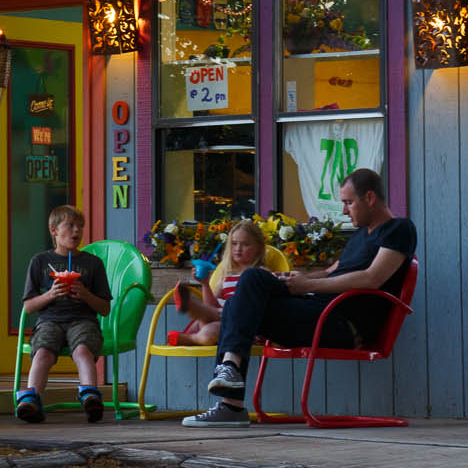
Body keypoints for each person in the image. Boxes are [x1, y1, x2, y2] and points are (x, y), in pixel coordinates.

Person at [183, 169, 416, 426]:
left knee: (242, 300)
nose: (344, 211)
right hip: (317, 310)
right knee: (252, 281)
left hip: (342, 323)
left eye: (349, 203)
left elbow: (373, 278)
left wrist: (307, 285)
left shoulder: (398, 229)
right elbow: (330, 272)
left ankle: (230, 403)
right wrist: (292, 278)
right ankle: (230, 370)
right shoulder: (360, 235)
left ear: (370, 198)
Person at [15, 204, 112, 424]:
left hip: (83, 320)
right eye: (69, 225)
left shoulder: (92, 263)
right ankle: (31, 399)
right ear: (54, 230)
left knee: (83, 351)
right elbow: (29, 306)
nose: (76, 231)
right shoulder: (39, 262)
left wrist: (86, 295)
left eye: (80, 226)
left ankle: (90, 396)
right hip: (50, 320)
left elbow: (104, 308)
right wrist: (50, 295)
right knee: (43, 354)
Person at [170, 218, 288, 345]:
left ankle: (190, 327)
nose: (238, 248)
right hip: (221, 319)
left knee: (210, 329)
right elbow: (212, 305)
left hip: (246, 326)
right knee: (204, 320)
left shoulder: (261, 273)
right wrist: (205, 284)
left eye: (245, 244)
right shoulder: (227, 275)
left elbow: (270, 304)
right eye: (234, 243)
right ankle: (190, 314)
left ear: (259, 248)